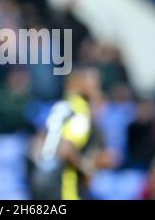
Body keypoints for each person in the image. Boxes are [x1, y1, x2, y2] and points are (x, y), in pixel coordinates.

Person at [28, 66, 112, 200]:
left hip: (39, 179)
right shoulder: (80, 111)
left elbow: (38, 141)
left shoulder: (59, 107)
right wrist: (85, 167)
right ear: (78, 83)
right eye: (92, 81)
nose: (97, 86)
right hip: (62, 185)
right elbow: (66, 148)